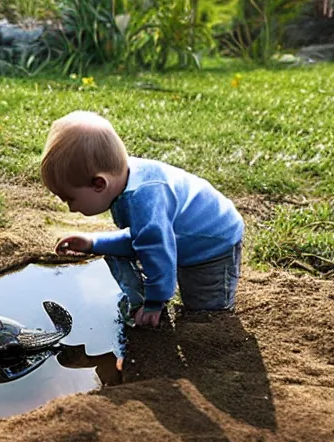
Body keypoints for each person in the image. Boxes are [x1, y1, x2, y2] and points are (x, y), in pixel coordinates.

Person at [40, 111, 244, 328]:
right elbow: (141, 237)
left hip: (213, 245)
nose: (71, 209)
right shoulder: (124, 177)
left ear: (99, 184)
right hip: (181, 237)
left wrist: (155, 303)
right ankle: (142, 298)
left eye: (70, 199)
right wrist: (93, 243)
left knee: (204, 310)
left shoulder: (144, 200)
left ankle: (209, 326)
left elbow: (157, 250)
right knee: (122, 253)